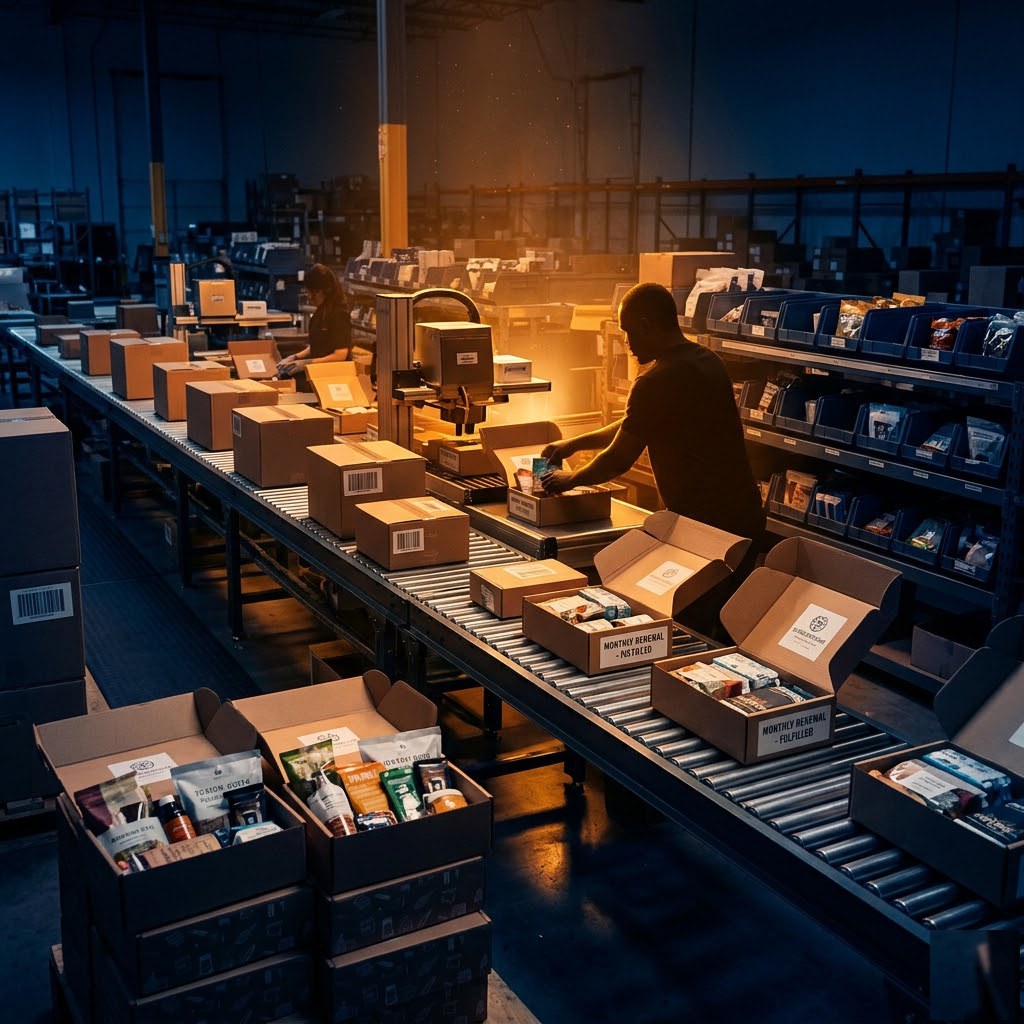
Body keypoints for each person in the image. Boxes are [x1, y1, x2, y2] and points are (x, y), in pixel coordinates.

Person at [542, 281, 766, 635]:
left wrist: (570, 479)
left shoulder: (657, 380)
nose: (628, 345)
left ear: (647, 324)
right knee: (726, 617)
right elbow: (637, 421)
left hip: (706, 528)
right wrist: (575, 444)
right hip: (743, 515)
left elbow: (618, 459)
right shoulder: (705, 360)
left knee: (694, 626)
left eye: (629, 332)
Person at [276, 263, 353, 385]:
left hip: (335, 378)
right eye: (308, 291)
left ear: (327, 290)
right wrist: (294, 357)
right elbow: (316, 346)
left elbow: (340, 355)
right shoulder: (321, 311)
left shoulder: (339, 314)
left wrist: (306, 364)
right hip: (319, 373)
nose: (310, 296)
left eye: (315, 292)